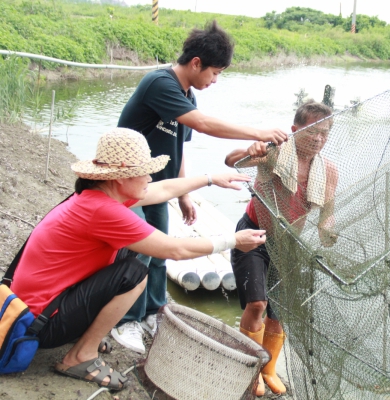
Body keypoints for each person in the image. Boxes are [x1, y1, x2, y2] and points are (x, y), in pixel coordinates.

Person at [9, 128, 265, 391]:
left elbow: (163, 188)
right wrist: (234, 241)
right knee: (133, 273)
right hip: (37, 325)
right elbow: (175, 250)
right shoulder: (104, 211)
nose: (150, 176)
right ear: (121, 175)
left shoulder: (98, 195)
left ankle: (86, 337)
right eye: (145, 170)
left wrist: (211, 178)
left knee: (127, 255)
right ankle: (79, 356)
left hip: (35, 311)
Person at [115, 20, 288, 353]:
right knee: (137, 256)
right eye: (215, 72)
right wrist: (258, 132)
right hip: (126, 185)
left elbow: (179, 146)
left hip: (158, 188)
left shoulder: (186, 93)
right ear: (196, 63)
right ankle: (125, 322)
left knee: (159, 256)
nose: (215, 80)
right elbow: (204, 124)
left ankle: (151, 311)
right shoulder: (160, 83)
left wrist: (185, 194)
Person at [224, 101, 338, 396]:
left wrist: (328, 229)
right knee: (258, 304)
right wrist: (250, 150)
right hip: (255, 234)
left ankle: (268, 369)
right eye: (312, 131)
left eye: (325, 133)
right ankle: (247, 367)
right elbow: (230, 161)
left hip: (288, 246)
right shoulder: (274, 152)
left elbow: (327, 213)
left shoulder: (328, 171)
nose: (318, 139)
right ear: (295, 129)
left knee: (280, 312)